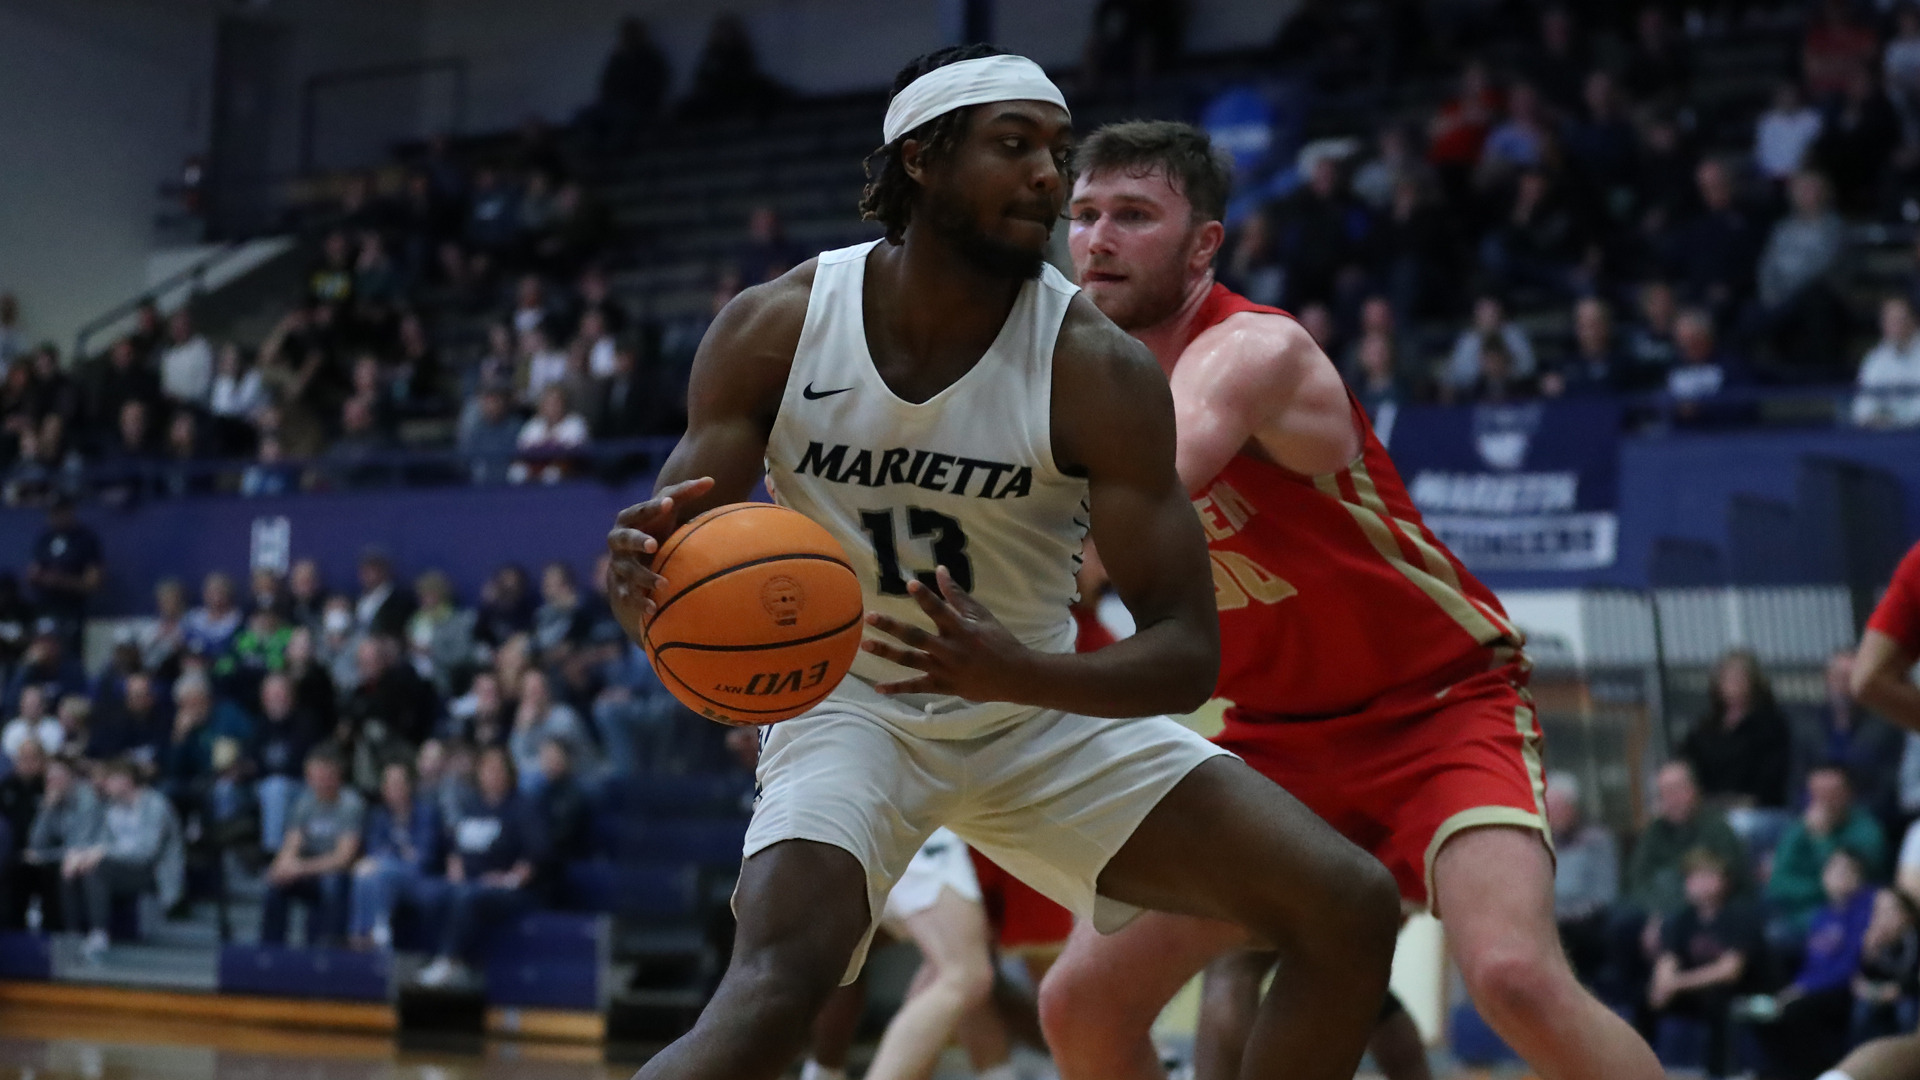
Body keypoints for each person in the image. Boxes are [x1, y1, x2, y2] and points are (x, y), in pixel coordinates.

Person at [602, 50, 1399, 1080]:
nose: (1046, 177)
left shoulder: (1095, 367)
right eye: (1013, 146)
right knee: (776, 985)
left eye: (1057, 152)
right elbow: (669, 579)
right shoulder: (779, 327)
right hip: (853, 707)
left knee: (1349, 905)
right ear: (922, 159)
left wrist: (1016, 673)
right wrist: (635, 591)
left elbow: (1184, 654)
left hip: (1033, 702)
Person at [1045, 119, 1662, 1080]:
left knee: (1513, 977)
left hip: (1439, 708)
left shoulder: (1252, 350)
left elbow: (1138, 493)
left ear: (1204, 245)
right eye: (1084, 215)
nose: (1098, 239)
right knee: (1081, 1003)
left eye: (1133, 215)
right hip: (1276, 742)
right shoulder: (1070, 374)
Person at [418, 745, 541, 988]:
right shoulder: (472, 806)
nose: (492, 775)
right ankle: (429, 958)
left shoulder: (523, 807)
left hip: (511, 890)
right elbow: (455, 847)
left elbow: (538, 854)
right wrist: (455, 869)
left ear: (509, 773)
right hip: (469, 883)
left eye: (497, 769)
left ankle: (450, 960)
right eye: (487, 769)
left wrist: (509, 879)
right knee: (432, 894)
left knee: (468, 896)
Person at [1757, 847, 1877, 1080]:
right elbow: (1810, 964)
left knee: (1794, 1012)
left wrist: (1803, 989)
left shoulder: (1865, 912)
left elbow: (1850, 965)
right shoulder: (1823, 914)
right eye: (1832, 869)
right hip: (1813, 988)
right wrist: (1794, 988)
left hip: (1843, 989)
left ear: (1859, 877)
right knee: (1766, 1013)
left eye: (1846, 870)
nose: (1837, 876)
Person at [1647, 849, 1760, 1077]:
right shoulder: (1682, 919)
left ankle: (1718, 1074)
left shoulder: (1740, 915)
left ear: (1725, 882)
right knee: (1644, 1001)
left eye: (1707, 876)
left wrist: (1675, 984)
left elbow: (1729, 971)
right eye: (1694, 877)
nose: (1700, 884)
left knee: (1719, 1000)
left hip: (1741, 989)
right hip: (1693, 988)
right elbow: (1668, 960)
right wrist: (1660, 987)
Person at [63, 759, 183, 962]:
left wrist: (101, 853)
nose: (104, 785)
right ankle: (72, 934)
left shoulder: (155, 805)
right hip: (120, 867)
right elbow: (100, 842)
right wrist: (79, 855)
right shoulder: (112, 806)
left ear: (126, 780)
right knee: (74, 866)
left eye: (109, 780)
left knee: (97, 868)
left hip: (153, 871)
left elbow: (147, 852)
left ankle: (99, 935)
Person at [1771, 765, 1889, 945]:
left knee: (1778, 933)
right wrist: (1818, 889)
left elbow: (1843, 887)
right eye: (1817, 793)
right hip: (1797, 910)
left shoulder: (1867, 831)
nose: (1823, 802)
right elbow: (1777, 884)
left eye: (1831, 793)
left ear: (1849, 794)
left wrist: (1822, 839)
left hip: (1847, 913)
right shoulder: (1800, 828)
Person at [260, 746, 364, 947]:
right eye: (314, 776)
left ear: (337, 776)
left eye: (324, 776)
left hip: (339, 872)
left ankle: (324, 949)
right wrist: (281, 866)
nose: (319, 781)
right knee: (276, 883)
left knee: (331, 884)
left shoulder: (350, 804)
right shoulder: (304, 803)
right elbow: (291, 845)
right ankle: (269, 951)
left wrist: (301, 868)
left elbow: (343, 858)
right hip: (309, 868)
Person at [1794, 650, 1905, 821]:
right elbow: (1797, 778)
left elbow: (1887, 783)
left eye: (1849, 677)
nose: (1842, 684)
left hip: (1866, 814)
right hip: (1812, 814)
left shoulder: (1883, 725)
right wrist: (1808, 811)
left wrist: (1845, 813)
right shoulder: (1808, 725)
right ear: (1827, 678)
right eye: (1838, 676)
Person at [348, 759, 442, 950]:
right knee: (363, 872)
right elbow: (375, 852)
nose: (393, 789)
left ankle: (373, 930)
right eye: (389, 784)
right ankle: (363, 935)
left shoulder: (426, 813)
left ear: (409, 786)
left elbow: (423, 858)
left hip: (419, 876)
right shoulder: (379, 816)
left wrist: (391, 856)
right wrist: (400, 854)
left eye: (398, 783)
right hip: (387, 871)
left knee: (377, 871)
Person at [1683, 649, 1794, 809]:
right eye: (1727, 678)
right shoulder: (1706, 727)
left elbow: (1772, 776)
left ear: (1753, 681)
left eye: (1739, 678)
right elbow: (1689, 764)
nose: (1733, 685)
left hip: (1757, 807)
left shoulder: (1770, 724)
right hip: (1710, 804)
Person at [1548, 772, 1619, 986]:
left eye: (1559, 807)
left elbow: (1604, 894)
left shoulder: (1597, 841)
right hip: (1551, 923)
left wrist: (1565, 916)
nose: (1554, 815)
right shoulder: (1542, 845)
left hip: (1588, 924)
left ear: (1573, 808)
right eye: (1549, 809)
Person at [22, 753, 104, 931]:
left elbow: (80, 845)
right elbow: (35, 844)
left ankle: (77, 932)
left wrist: (45, 856)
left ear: (71, 777)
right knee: (23, 867)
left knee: (68, 868)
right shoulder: (53, 800)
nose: (53, 783)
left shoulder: (87, 799)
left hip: (94, 855)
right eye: (49, 778)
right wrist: (46, 810)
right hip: (67, 855)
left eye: (58, 777)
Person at [25, 497, 102, 638]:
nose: (56, 517)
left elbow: (92, 582)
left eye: (60, 512)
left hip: (75, 609)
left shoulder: (85, 539)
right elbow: (33, 572)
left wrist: (60, 581)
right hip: (46, 608)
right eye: (53, 512)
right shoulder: (45, 538)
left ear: (70, 512)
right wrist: (40, 578)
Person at [1854, 296, 1920, 428]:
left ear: (1913, 320)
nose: (1896, 326)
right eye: (1890, 320)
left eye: (1900, 319)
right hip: (1886, 434)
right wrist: (1876, 419)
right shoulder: (1875, 359)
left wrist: (1903, 422)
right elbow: (1863, 408)